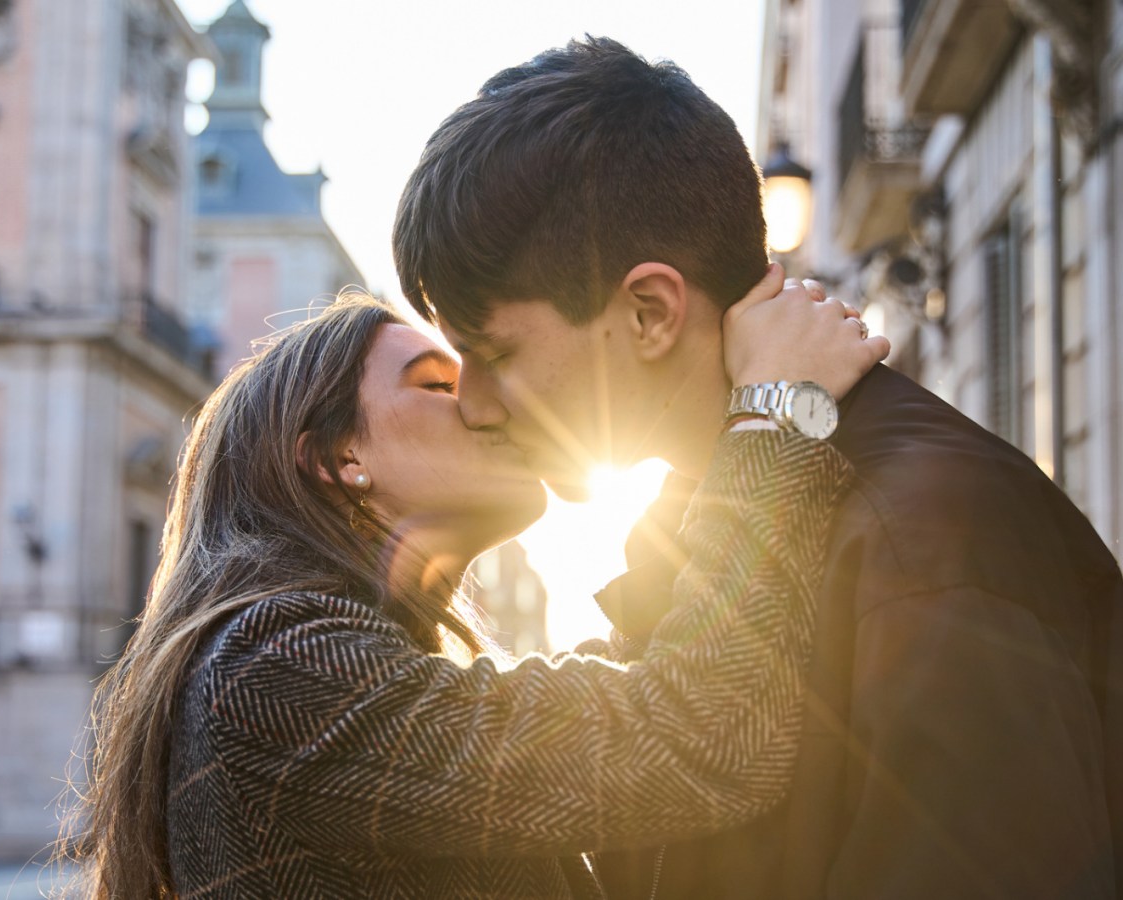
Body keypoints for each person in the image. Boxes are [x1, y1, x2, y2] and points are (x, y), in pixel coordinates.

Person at [393, 36, 1123, 899]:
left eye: (494, 351)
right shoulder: (691, 534)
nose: (472, 403)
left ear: (650, 312)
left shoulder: (928, 537)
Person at [56, 282, 878, 898]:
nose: (488, 405)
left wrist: (707, 458)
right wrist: (776, 409)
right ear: (337, 457)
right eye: (439, 384)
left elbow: (636, 692)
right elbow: (695, 734)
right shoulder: (276, 665)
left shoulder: (309, 661)